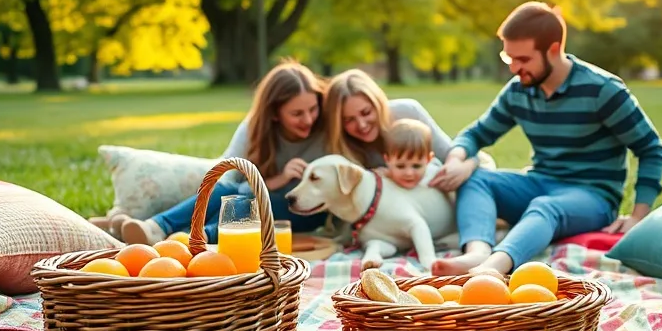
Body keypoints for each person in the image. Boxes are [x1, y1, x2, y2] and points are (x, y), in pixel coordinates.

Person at [428, 1, 662, 278]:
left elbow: (650, 149)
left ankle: (494, 268)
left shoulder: (603, 90)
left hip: (593, 197)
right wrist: (458, 159)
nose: (514, 68)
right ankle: (477, 253)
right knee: (476, 177)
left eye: (523, 59)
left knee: (544, 206)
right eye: (509, 58)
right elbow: (477, 133)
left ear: (554, 50)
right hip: (540, 182)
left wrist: (637, 216)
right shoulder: (519, 90)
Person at [119, 60, 329, 245]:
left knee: (246, 200)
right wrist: (278, 180)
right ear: (274, 113)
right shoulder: (254, 129)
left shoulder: (326, 131)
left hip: (300, 214)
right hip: (254, 204)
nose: (308, 120)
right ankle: (156, 228)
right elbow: (228, 178)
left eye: (313, 109)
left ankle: (186, 237)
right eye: (297, 114)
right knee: (230, 191)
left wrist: (277, 183)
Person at [322, 69, 463, 173]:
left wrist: (465, 167)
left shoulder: (407, 112)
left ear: (378, 104)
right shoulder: (341, 146)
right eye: (349, 120)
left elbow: (452, 155)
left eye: (366, 112)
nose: (362, 125)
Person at [380, 118, 442, 189]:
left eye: (416, 166)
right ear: (387, 160)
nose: (409, 173)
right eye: (400, 166)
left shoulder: (436, 179)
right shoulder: (382, 182)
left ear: (429, 159)